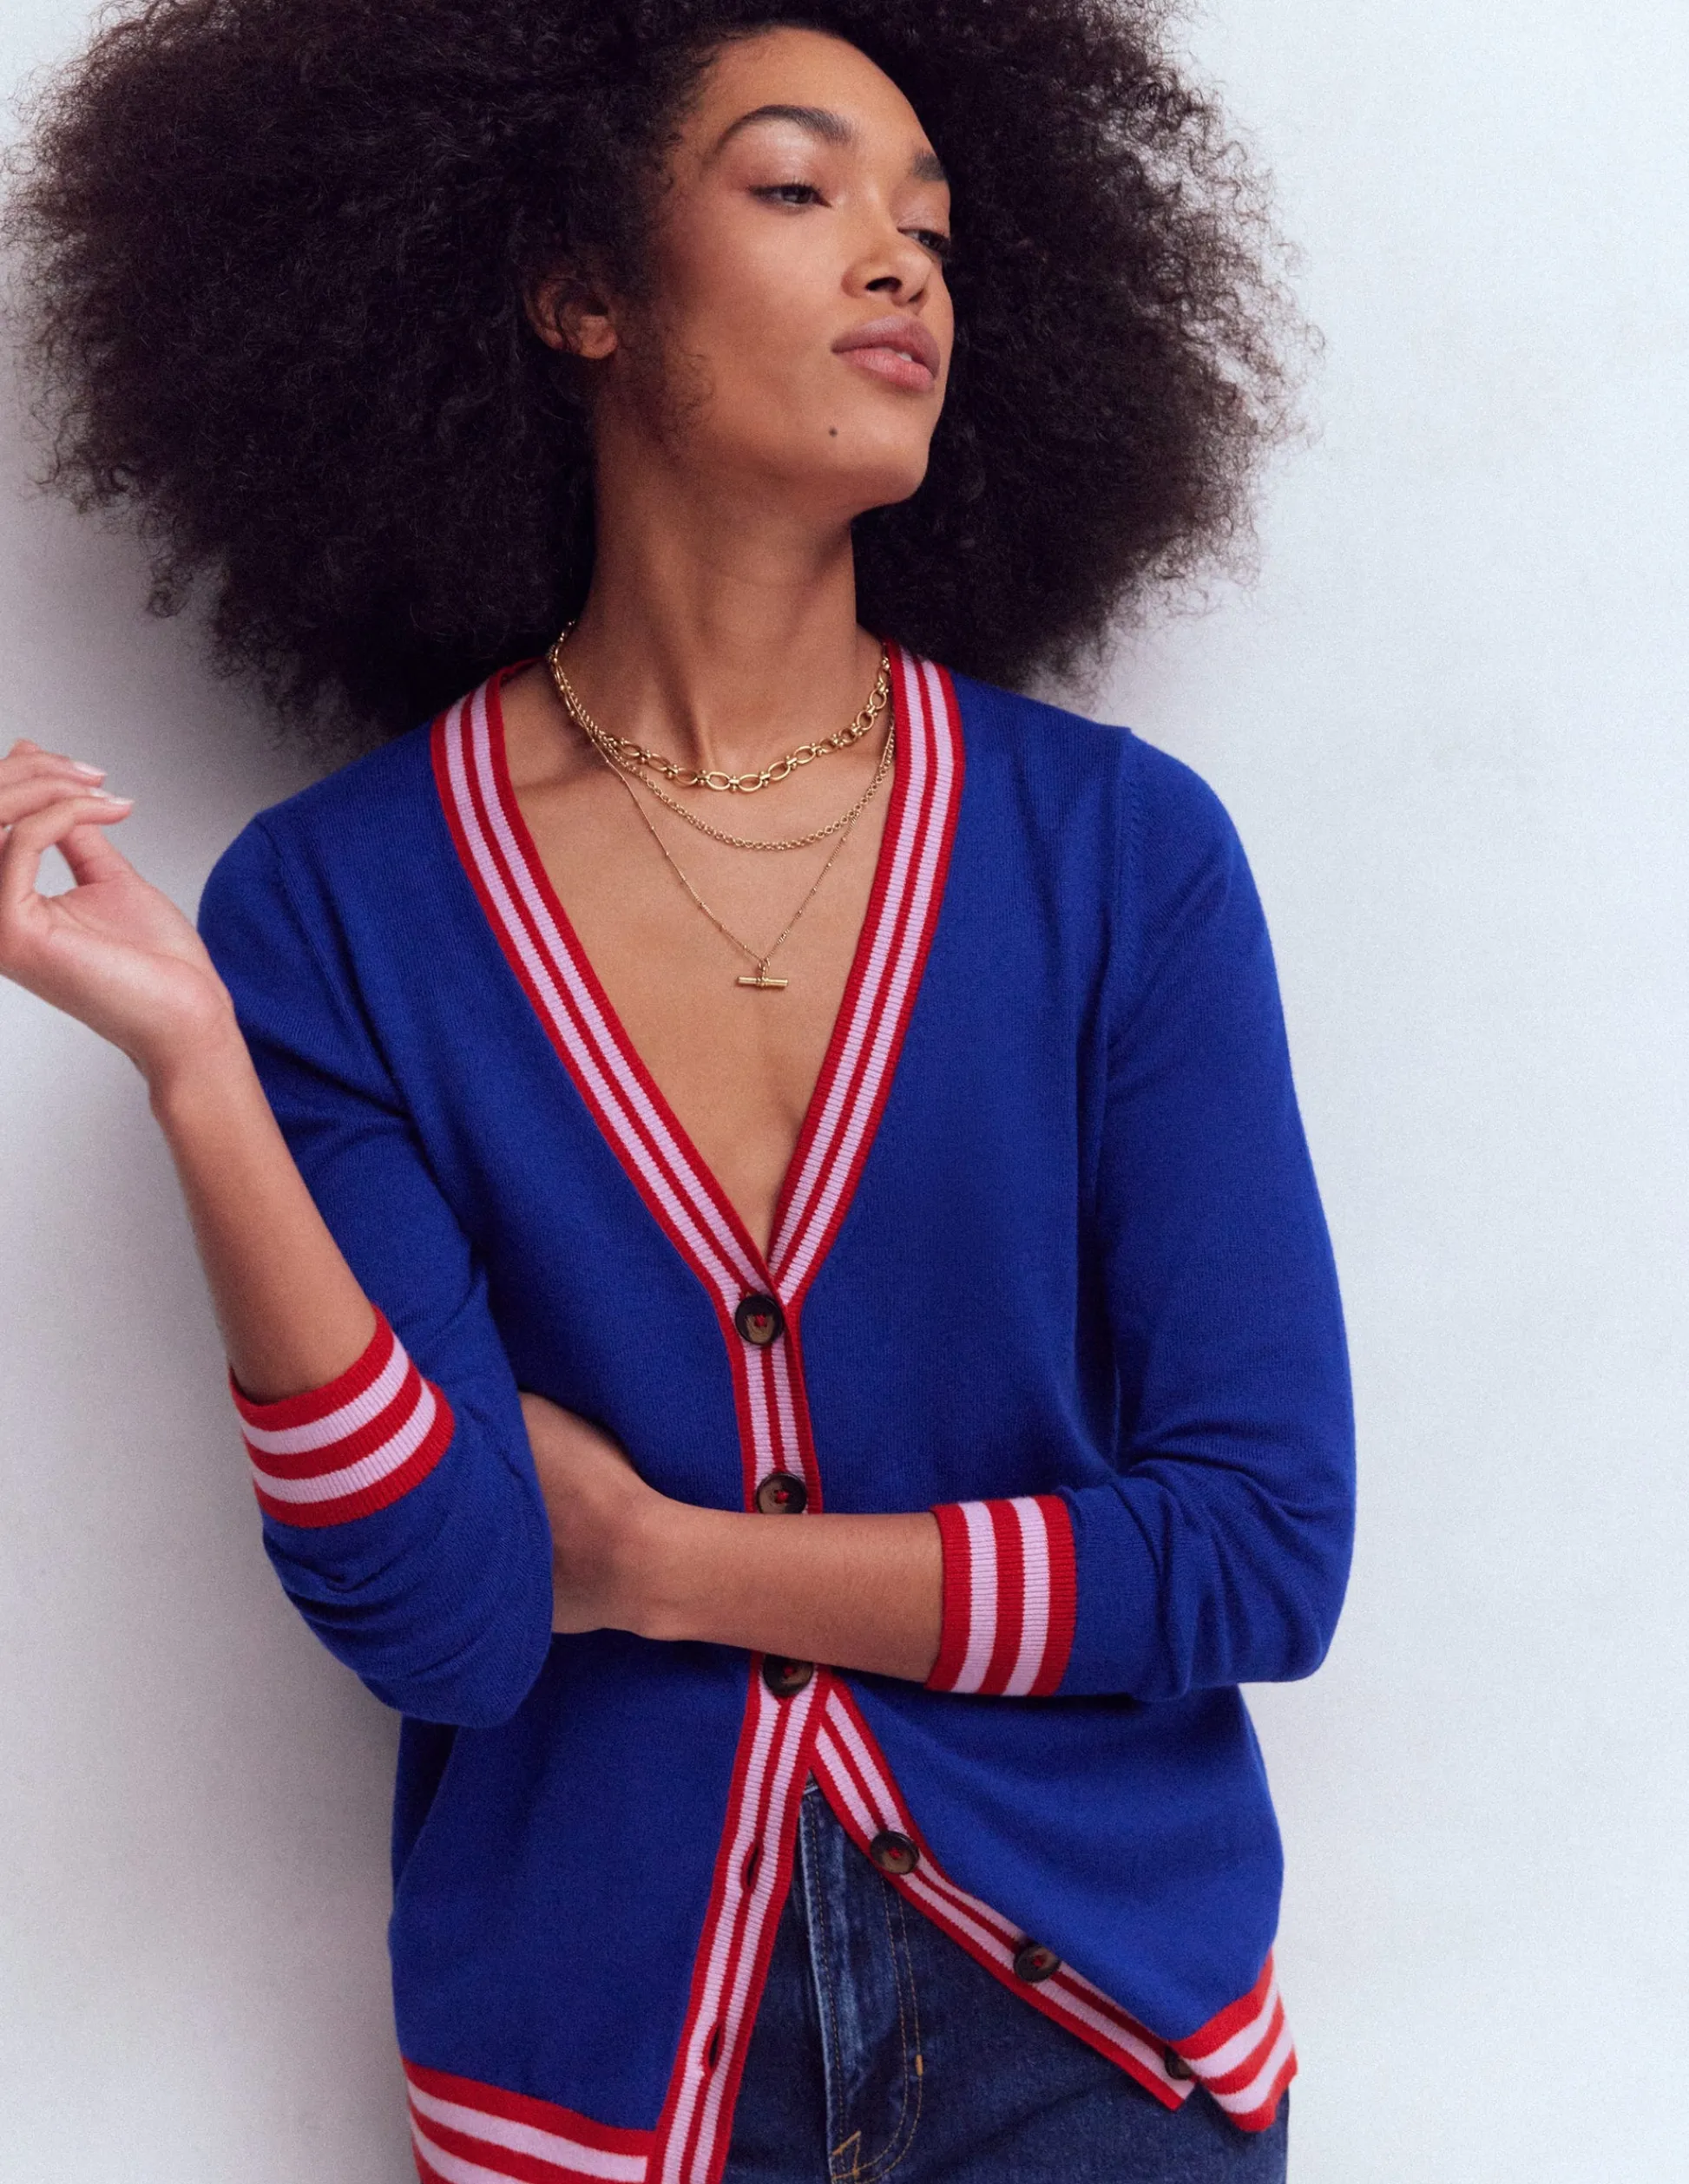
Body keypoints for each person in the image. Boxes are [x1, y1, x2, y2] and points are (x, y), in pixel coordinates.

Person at [0, 3, 1354, 2179]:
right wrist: (198, 1071)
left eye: (932, 228)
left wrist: (658, 1558)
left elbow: (1258, 1554)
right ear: (582, 291)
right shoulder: (343, 906)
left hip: (1103, 2049)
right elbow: (448, 1616)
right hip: (597, 2087)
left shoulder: (1115, 855)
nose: (901, 263)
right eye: (801, 189)